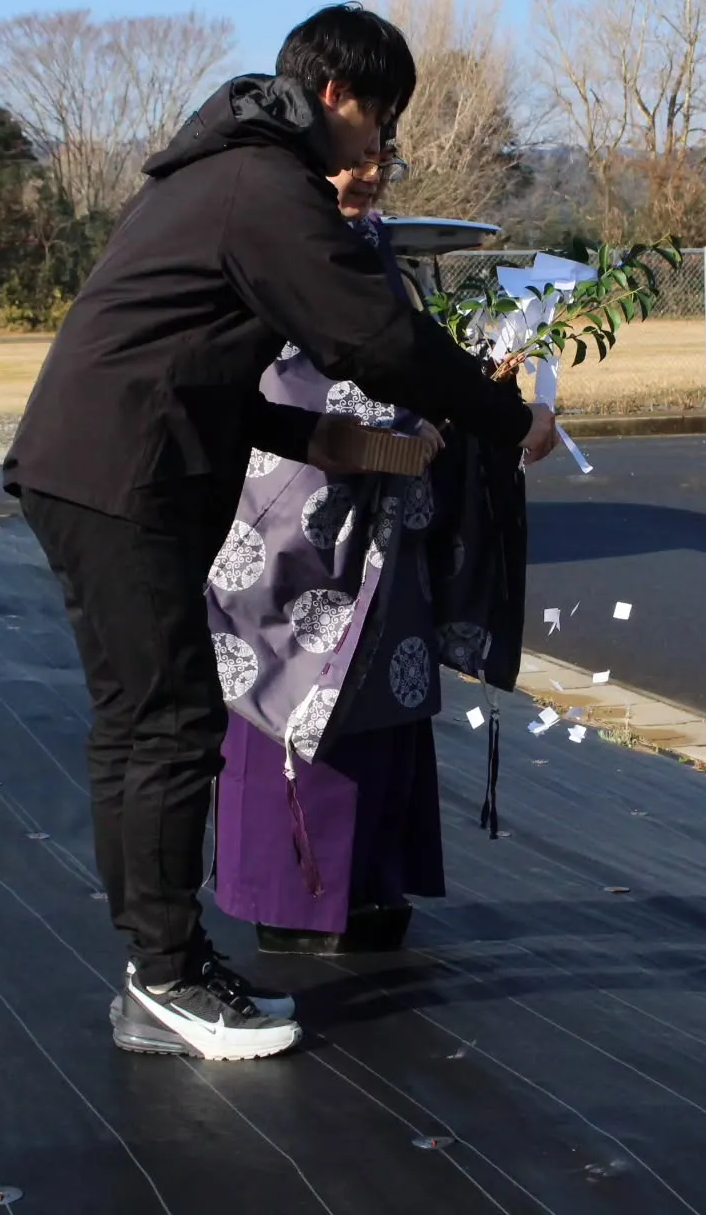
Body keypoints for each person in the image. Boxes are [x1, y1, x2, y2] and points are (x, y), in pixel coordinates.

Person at [3, 3, 558, 1062]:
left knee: (136, 724)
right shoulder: (269, 188)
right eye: (380, 121)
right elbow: (375, 337)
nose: (379, 149)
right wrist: (501, 415)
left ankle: (154, 970)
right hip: (128, 471)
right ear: (339, 97)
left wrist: (313, 437)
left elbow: (193, 357)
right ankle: (166, 978)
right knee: (168, 725)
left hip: (92, 459)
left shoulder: (215, 173)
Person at [210, 134, 448, 956]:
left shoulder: (381, 251)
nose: (372, 175)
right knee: (286, 678)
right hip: (287, 495)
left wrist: (458, 398)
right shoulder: (273, 237)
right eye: (360, 157)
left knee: (380, 682)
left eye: (388, 159)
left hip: (381, 498)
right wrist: (406, 409)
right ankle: (294, 892)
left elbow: (407, 350)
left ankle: (373, 881)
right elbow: (284, 376)